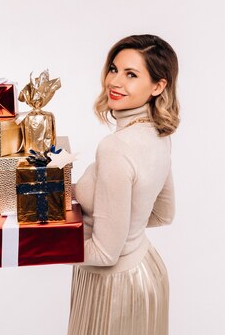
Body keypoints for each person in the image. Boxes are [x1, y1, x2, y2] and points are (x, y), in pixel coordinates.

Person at [67, 34, 180, 335]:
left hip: (115, 287)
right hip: (144, 271)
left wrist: (41, 246)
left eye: (131, 74)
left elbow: (105, 254)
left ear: (158, 86)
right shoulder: (159, 133)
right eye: (114, 69)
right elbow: (162, 214)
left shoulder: (115, 147)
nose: (115, 82)